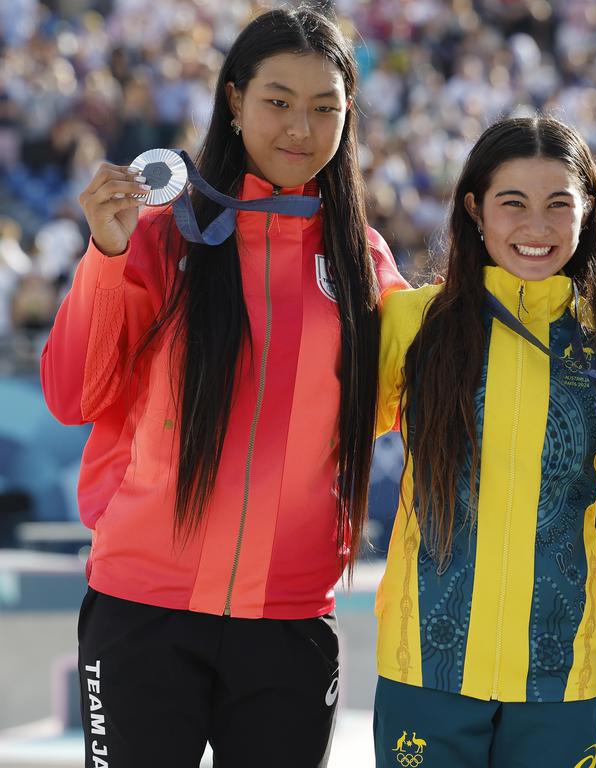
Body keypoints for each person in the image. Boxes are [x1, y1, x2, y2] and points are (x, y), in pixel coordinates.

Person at [39, 8, 407, 766]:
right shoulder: (160, 232)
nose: (301, 127)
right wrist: (104, 260)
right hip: (143, 612)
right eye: (278, 101)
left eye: (325, 107)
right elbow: (73, 393)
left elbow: (401, 401)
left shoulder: (362, 260)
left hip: (289, 619)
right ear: (234, 101)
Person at [372, 116, 596, 767]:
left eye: (559, 205)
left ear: (586, 214)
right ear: (474, 209)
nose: (537, 227)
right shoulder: (413, 323)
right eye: (512, 203)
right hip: (424, 669)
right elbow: (339, 436)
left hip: (558, 680)